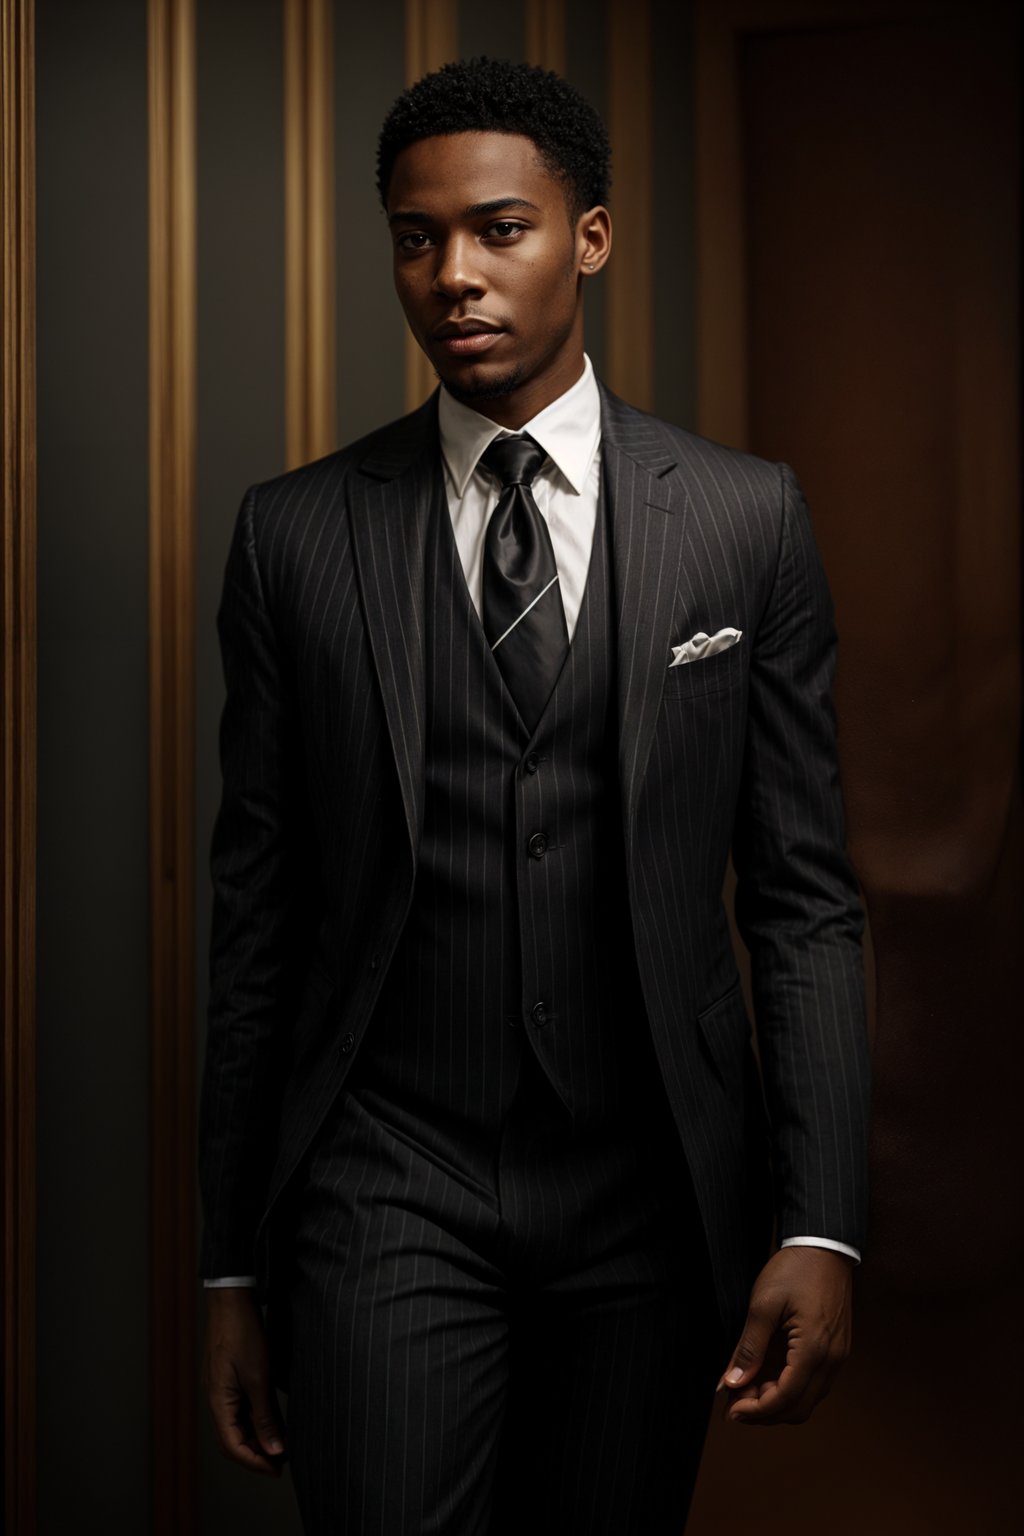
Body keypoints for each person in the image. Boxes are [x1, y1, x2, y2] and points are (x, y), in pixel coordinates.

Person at [199, 57, 870, 1536]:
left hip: (649, 1183)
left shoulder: (746, 519)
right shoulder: (295, 537)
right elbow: (258, 917)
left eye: (499, 229)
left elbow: (806, 897)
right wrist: (231, 1265)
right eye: (415, 238)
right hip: (390, 1174)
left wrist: (820, 1219)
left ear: (590, 238)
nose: (454, 275)